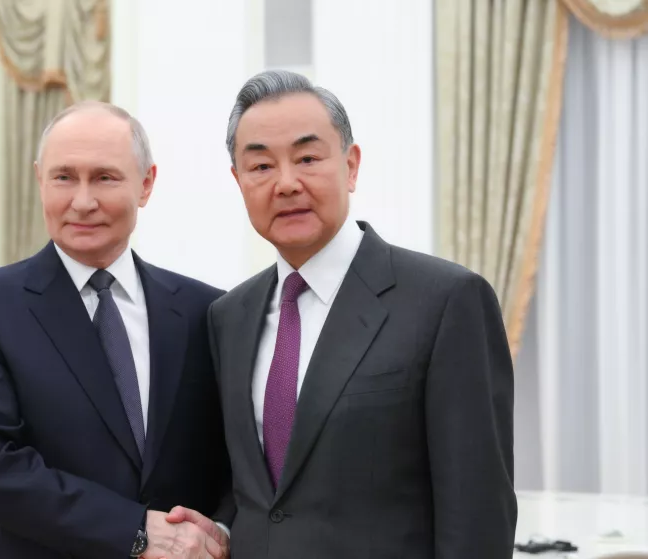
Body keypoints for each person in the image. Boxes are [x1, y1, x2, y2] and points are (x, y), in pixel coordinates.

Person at [168, 69, 517, 557]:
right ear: (238, 181)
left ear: (351, 166)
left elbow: (477, 513)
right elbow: (255, 490)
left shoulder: (446, 302)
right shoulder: (229, 316)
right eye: (261, 166)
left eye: (308, 158)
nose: (286, 184)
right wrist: (219, 531)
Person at [0, 101, 232, 559]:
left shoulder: (206, 310)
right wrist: (133, 531)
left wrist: (219, 532)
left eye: (105, 177)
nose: (83, 201)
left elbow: (238, 461)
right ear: (40, 180)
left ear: (146, 184)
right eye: (64, 177)